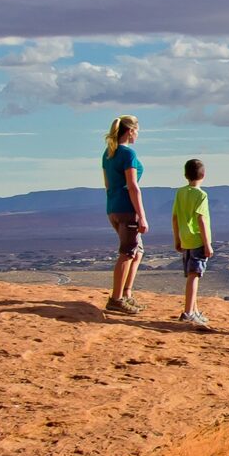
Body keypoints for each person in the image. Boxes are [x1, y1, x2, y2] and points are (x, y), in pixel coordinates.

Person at [101, 115, 146, 314]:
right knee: (127, 253)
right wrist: (142, 216)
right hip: (127, 209)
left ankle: (126, 293)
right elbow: (133, 187)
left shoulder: (108, 153)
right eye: (137, 131)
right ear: (130, 131)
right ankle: (116, 299)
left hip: (113, 207)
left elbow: (107, 184)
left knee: (137, 252)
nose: (137, 135)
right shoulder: (128, 154)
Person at [172, 158, 213, 327]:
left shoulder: (180, 193)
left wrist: (177, 238)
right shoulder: (201, 195)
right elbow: (201, 219)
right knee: (194, 276)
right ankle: (188, 312)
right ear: (203, 175)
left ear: (185, 175)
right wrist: (207, 243)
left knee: (191, 275)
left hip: (185, 239)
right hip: (197, 239)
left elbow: (175, 218)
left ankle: (194, 311)